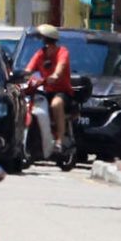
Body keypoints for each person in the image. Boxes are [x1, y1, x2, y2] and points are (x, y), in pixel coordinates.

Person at [18, 24, 76, 154]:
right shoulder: (40, 54)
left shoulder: (62, 52)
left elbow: (60, 67)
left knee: (56, 104)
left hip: (62, 92)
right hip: (44, 91)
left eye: (45, 40)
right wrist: (23, 76)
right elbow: (29, 69)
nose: (45, 45)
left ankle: (59, 141)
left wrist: (55, 75)